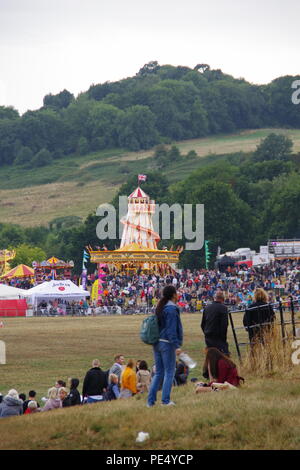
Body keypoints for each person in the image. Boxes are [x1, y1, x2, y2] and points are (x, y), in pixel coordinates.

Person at [147, 285, 183, 407]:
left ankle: (150, 401)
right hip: (167, 343)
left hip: (156, 342)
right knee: (169, 372)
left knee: (158, 373)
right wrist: (176, 345)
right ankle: (165, 400)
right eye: (176, 293)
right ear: (173, 295)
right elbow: (171, 330)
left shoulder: (161, 307)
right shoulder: (171, 309)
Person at [201, 290, 229, 355]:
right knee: (223, 355)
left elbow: (202, 324)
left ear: (215, 298)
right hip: (218, 337)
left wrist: (206, 332)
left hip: (208, 336)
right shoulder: (223, 308)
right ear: (223, 299)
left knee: (211, 356)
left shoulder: (207, 308)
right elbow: (224, 325)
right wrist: (223, 339)